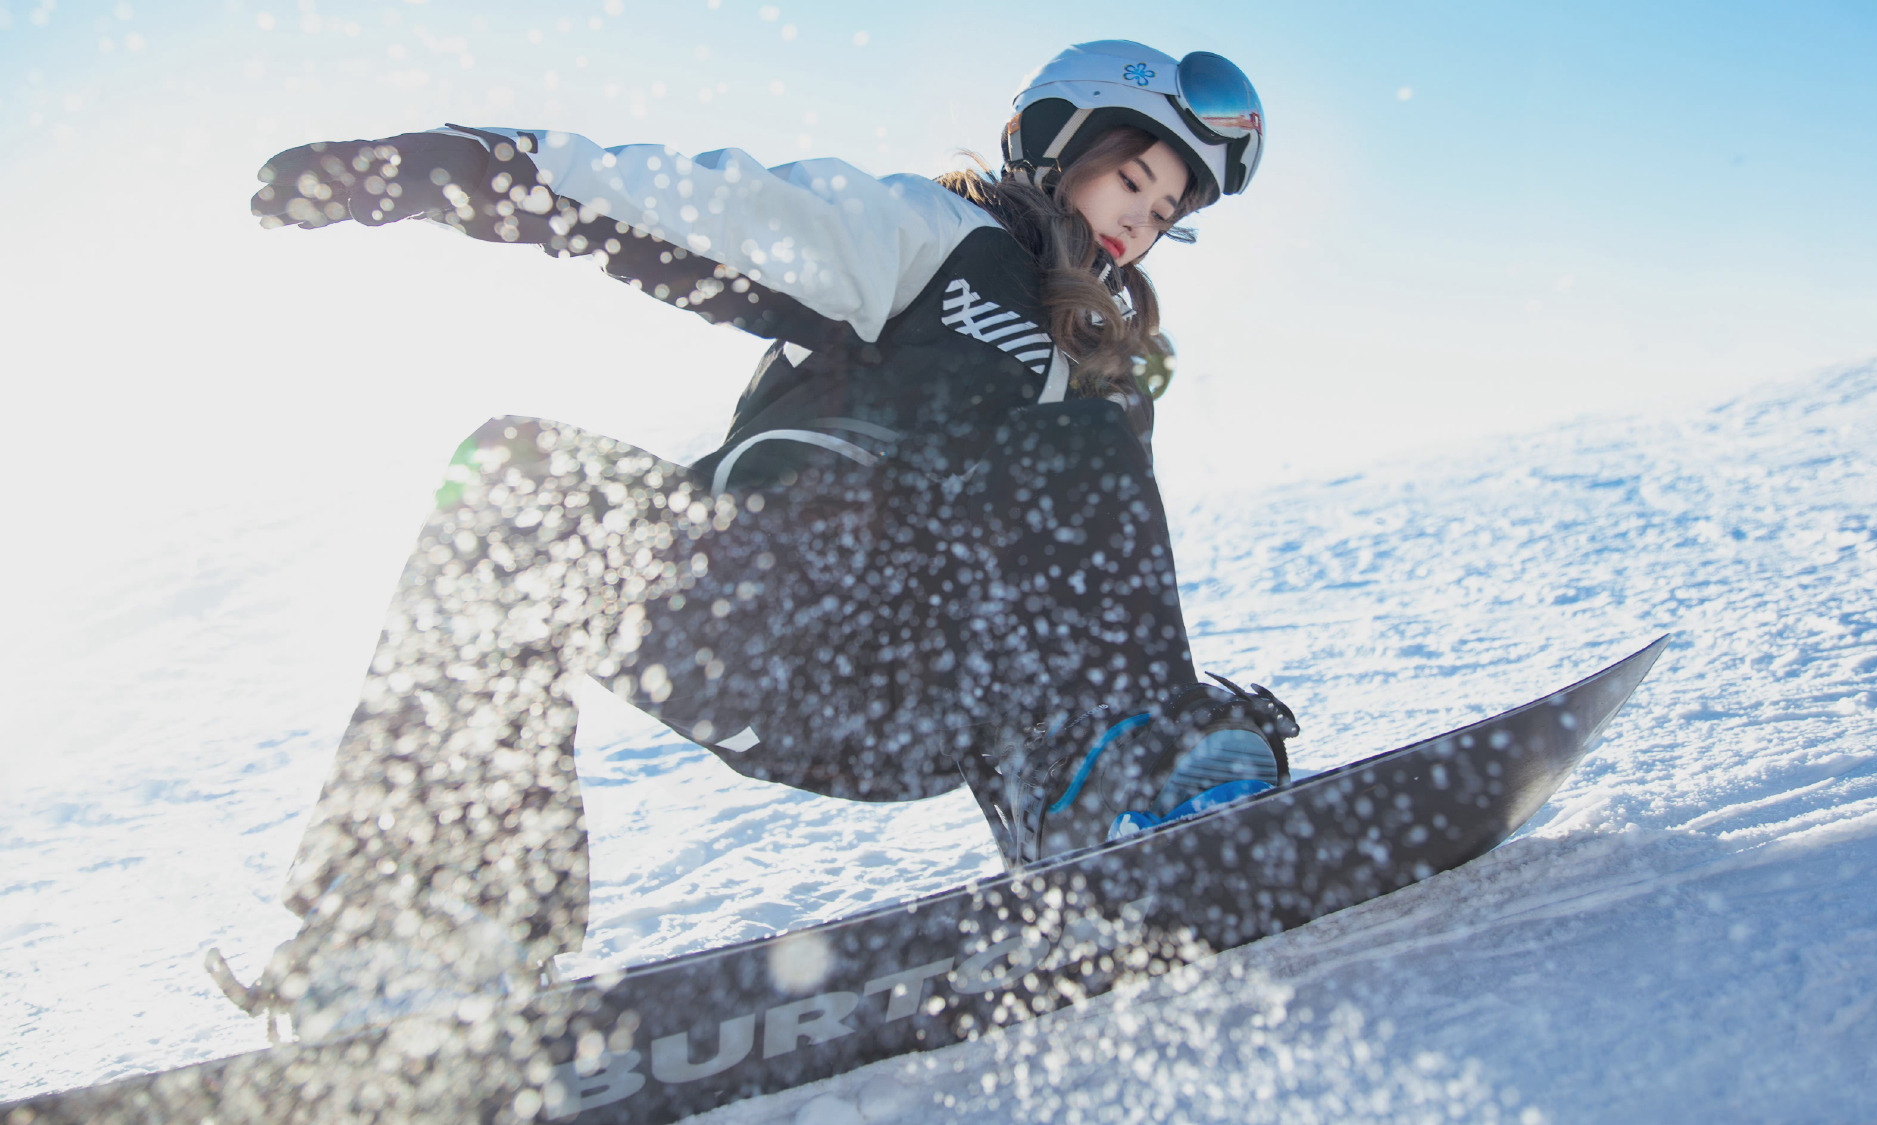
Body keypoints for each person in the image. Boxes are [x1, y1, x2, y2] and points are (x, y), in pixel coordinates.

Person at [216, 40, 1299, 1038]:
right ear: (1058, 147)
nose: (1137, 223)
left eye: (1164, 212)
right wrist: (464, 168)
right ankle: (426, 926)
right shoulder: (932, 237)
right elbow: (714, 211)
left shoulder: (1102, 383)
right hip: (764, 623)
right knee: (516, 485)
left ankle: (1115, 810)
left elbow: (1088, 613)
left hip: (921, 698)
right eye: (1130, 180)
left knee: (1086, 442)